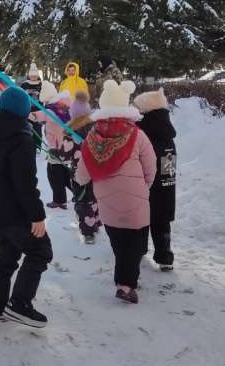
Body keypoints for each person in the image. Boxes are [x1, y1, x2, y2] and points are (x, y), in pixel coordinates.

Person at [75, 80, 156, 304]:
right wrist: (145, 185)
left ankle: (125, 279)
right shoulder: (137, 135)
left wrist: (79, 180)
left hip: (107, 201)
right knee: (137, 243)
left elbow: (82, 173)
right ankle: (126, 284)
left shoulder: (91, 138)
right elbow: (151, 165)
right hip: (136, 199)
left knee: (119, 242)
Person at [0, 86, 53, 328]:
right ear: (23, 111)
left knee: (7, 254)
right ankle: (20, 303)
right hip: (14, 212)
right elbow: (25, 183)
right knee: (40, 251)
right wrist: (37, 215)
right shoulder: (21, 138)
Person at [134, 88, 177, 272]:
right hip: (166, 186)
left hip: (145, 185)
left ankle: (138, 250)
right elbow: (169, 167)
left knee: (142, 218)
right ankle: (165, 256)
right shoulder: (167, 134)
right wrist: (167, 184)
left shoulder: (143, 131)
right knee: (162, 221)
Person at [30, 87, 75, 210]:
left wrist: (31, 114)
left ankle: (60, 201)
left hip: (56, 148)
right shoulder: (64, 107)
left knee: (54, 175)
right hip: (66, 146)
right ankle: (78, 193)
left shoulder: (52, 110)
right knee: (65, 174)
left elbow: (41, 115)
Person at [68, 90, 100, 244]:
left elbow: (65, 152)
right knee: (94, 197)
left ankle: (88, 232)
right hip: (95, 170)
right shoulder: (96, 127)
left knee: (82, 200)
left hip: (79, 172)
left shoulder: (72, 129)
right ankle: (96, 222)